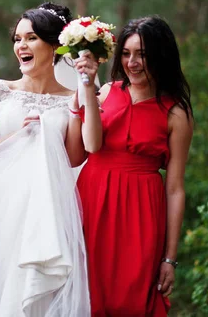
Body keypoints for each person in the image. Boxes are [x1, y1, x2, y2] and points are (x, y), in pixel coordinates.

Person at [0, 2, 90, 317]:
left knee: (36, 295)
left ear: (54, 46)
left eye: (31, 39)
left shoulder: (71, 99)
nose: (21, 46)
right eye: (17, 39)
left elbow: (74, 157)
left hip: (47, 213)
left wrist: (78, 108)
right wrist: (18, 137)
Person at [74, 16, 194, 316]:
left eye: (142, 54)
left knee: (130, 297)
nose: (133, 63)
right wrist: (87, 85)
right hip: (92, 200)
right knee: (85, 294)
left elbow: (176, 188)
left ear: (161, 55)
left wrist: (169, 258)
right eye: (126, 54)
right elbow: (89, 146)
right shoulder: (104, 93)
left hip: (141, 213)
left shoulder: (175, 113)